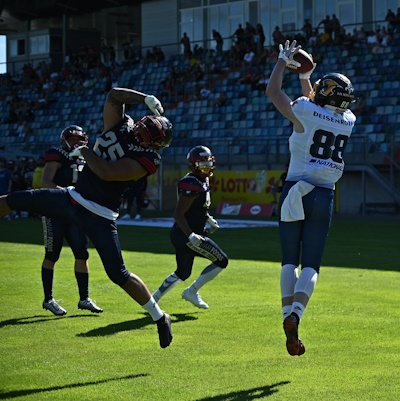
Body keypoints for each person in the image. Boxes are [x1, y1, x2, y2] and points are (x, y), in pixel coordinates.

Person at [0, 87, 174, 349]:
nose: (141, 133)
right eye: (145, 126)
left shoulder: (148, 159)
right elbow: (114, 95)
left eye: (149, 134)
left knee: (119, 274)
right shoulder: (122, 124)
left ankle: (160, 318)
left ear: (156, 144)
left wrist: (83, 151)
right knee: (16, 199)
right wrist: (144, 98)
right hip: (72, 198)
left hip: (100, 215)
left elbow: (106, 171)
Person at [266, 40, 356, 356]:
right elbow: (315, 103)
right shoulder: (349, 121)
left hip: (294, 191)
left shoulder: (306, 109)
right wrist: (308, 77)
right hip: (323, 195)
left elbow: (274, 94)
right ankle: (296, 315)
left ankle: (285, 316)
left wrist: (282, 62)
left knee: (289, 259)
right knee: (312, 264)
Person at [152, 146, 228, 309]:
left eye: (208, 163)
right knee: (222, 261)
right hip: (187, 235)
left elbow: (196, 208)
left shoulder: (202, 180)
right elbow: (179, 213)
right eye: (202, 164)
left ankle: (154, 299)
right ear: (193, 165)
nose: (206, 167)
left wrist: (208, 218)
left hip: (182, 234)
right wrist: (191, 235)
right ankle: (192, 291)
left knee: (183, 272)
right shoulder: (191, 183)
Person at [40, 126, 103, 316]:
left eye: (80, 138)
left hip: (76, 213)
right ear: (64, 140)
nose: (77, 142)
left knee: (82, 254)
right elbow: (46, 182)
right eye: (73, 138)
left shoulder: (86, 157)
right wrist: (70, 195)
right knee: (52, 255)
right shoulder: (57, 154)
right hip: (56, 211)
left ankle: (84, 298)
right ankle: (48, 299)